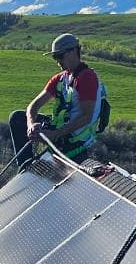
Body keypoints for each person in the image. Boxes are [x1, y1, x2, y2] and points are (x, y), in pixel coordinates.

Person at [10, 34, 107, 168]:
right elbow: (34, 106)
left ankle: (33, 166)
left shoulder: (87, 77)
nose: (57, 62)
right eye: (55, 57)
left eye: (60, 56)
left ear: (73, 52)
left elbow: (86, 117)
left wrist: (55, 134)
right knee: (17, 118)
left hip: (75, 140)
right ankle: (26, 167)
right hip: (60, 131)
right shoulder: (60, 78)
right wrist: (31, 125)